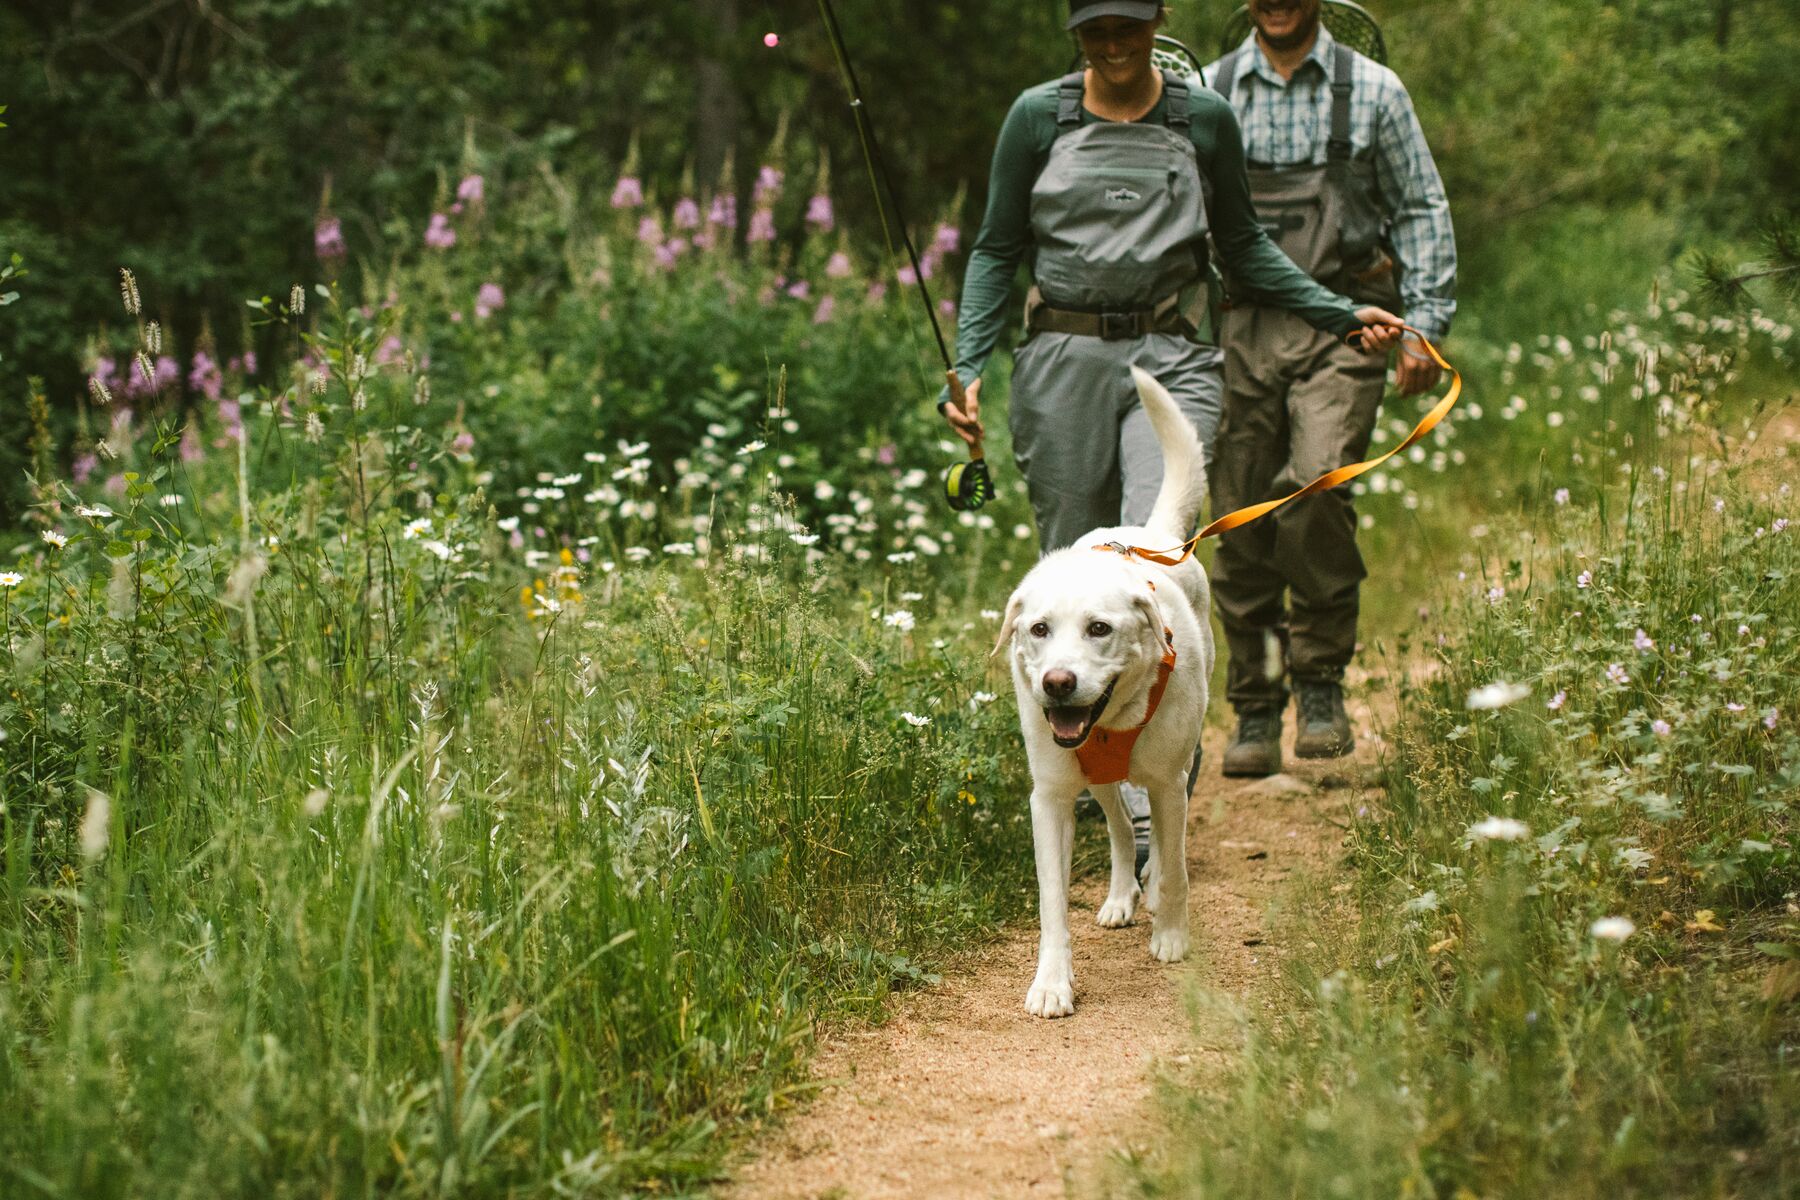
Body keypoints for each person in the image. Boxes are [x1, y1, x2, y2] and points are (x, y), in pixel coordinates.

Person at [938, 0, 1403, 856]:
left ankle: (1157, 816)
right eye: (1094, 34)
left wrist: (1338, 314)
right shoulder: (1037, 117)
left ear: (1157, 24)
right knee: (1073, 579)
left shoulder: (1204, 118)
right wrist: (967, 364)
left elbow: (1245, 245)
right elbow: (997, 248)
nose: (1113, 48)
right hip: (1059, 359)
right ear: (1074, 35)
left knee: (1151, 564)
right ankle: (1093, 787)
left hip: (1172, 354)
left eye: (1128, 29)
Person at [1203, 0, 1456, 776]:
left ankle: (1318, 684)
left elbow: (1420, 208)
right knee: (1239, 505)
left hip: (1352, 323)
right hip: (1238, 327)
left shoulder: (1375, 90)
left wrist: (1427, 324)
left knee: (1316, 484)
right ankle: (1254, 703)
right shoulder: (1211, 95)